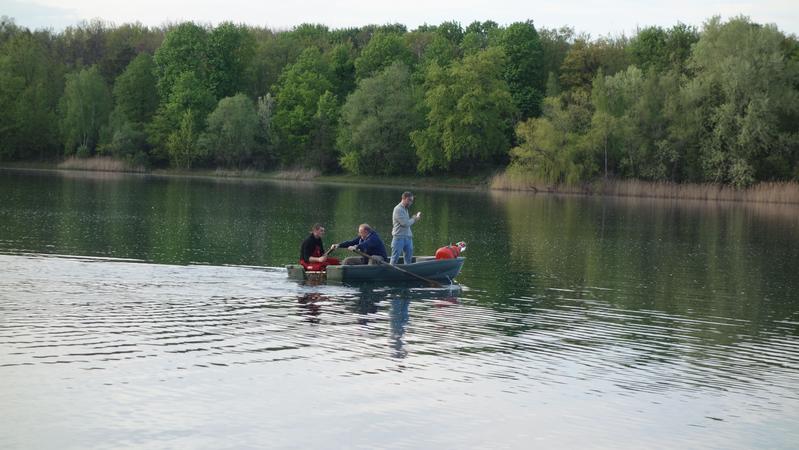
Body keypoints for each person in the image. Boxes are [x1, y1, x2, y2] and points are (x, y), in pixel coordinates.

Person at [390, 191, 421, 265]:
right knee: (394, 259)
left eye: (412, 201)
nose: (410, 202)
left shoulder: (405, 209)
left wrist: (414, 218)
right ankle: (390, 273)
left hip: (408, 238)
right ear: (404, 199)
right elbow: (405, 224)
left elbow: (406, 222)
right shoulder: (398, 209)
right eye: (409, 200)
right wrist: (414, 219)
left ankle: (406, 275)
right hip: (398, 238)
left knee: (408, 260)